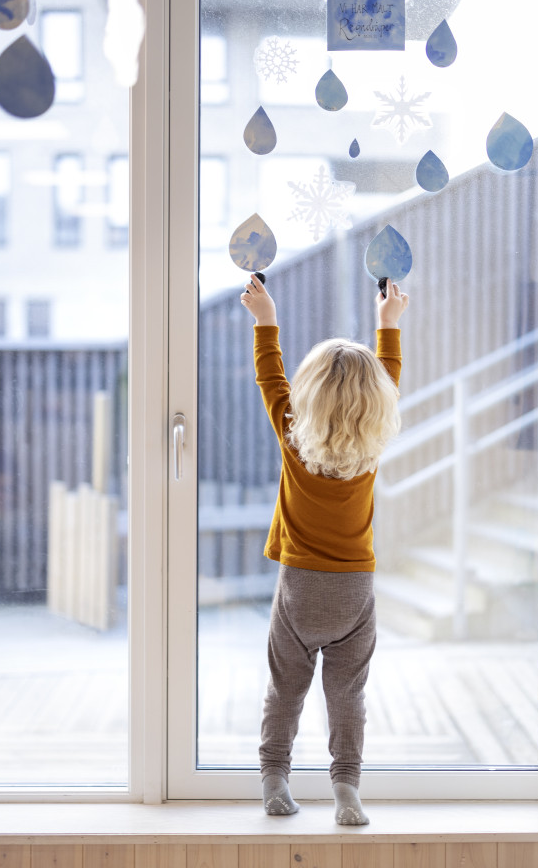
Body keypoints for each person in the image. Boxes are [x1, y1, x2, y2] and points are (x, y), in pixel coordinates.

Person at [240, 272, 409, 826]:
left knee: (285, 688)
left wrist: (266, 318)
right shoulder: (374, 441)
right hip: (354, 592)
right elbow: (388, 378)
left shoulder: (293, 432)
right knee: (347, 696)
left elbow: (271, 376)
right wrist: (388, 324)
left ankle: (274, 778)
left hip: (298, 590)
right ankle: (346, 789)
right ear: (375, 406)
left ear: (308, 395)